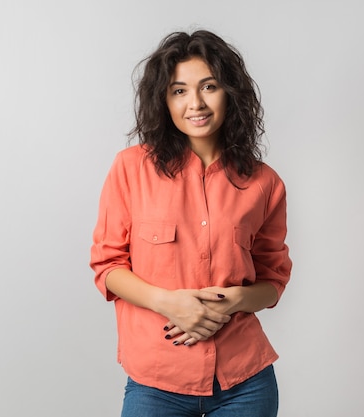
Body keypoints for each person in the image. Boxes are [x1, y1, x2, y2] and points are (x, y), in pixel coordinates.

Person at [90, 29, 292, 417]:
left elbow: (274, 280)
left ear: (230, 93)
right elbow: (107, 266)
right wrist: (170, 304)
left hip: (244, 383)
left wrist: (236, 300)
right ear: (163, 100)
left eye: (209, 87)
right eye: (179, 91)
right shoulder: (131, 169)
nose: (195, 103)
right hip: (156, 382)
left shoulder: (265, 183)